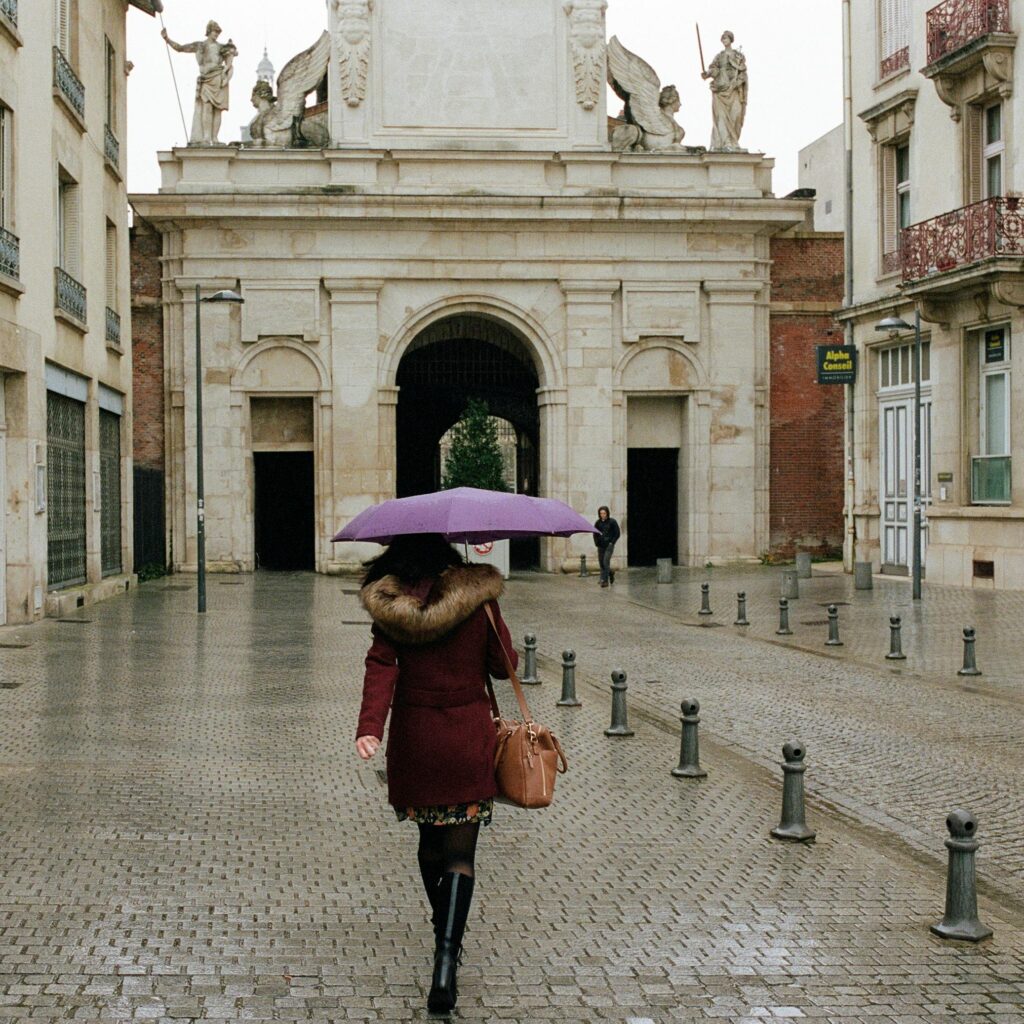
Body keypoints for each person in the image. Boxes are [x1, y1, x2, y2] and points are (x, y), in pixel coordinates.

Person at [354, 533, 517, 1014]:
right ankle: (447, 958)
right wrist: (491, 618)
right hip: (468, 737)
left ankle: (440, 932)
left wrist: (369, 729)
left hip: (417, 739)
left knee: (429, 847)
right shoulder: (478, 599)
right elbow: (504, 667)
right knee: (460, 854)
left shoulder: (392, 609)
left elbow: (380, 668)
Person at [161, 21, 237, 145]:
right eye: (215, 32)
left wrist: (231, 53)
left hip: (218, 77)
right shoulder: (200, 45)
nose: (216, 35)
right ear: (209, 31)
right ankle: (207, 137)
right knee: (207, 107)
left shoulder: (221, 47)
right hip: (206, 78)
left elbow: (232, 55)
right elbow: (180, 48)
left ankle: (215, 138)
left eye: (218, 32)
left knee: (218, 109)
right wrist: (167, 39)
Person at [702, 30, 747, 152]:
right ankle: (726, 142)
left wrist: (737, 83)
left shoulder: (738, 56)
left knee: (736, 114)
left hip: (734, 90)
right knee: (721, 117)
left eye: (726, 38)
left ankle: (734, 141)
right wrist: (707, 74)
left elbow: (743, 73)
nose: (724, 40)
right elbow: (713, 69)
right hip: (720, 89)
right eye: (722, 38)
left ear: (731, 40)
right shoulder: (719, 56)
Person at [593, 506, 620, 587]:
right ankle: (610, 572)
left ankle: (604, 581)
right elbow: (595, 533)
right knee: (601, 563)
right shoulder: (598, 523)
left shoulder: (612, 522)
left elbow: (617, 533)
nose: (603, 515)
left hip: (609, 545)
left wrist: (612, 542)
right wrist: (596, 542)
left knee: (605, 561)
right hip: (601, 546)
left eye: (604, 513)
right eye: (601, 513)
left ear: (607, 513)